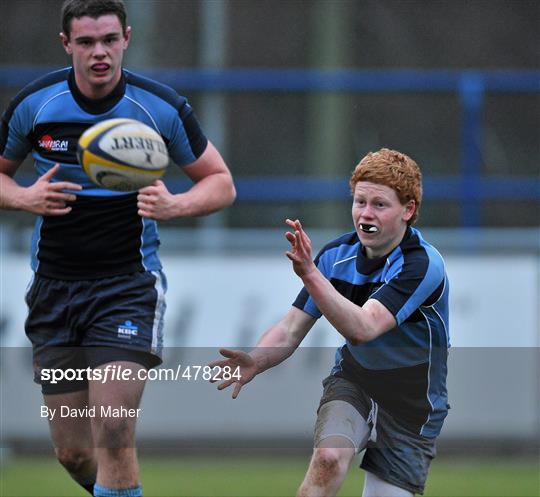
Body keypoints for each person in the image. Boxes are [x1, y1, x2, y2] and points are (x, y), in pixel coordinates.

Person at [0, 0, 235, 496]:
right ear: (67, 45)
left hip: (127, 288)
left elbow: (220, 182)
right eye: (86, 42)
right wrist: (22, 196)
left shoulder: (160, 107)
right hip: (54, 291)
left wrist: (175, 206)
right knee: (75, 452)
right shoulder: (35, 105)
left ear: (126, 37)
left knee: (112, 427)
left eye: (109, 40)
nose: (99, 52)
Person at [211, 148, 449, 497]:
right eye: (359, 202)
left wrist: (309, 273)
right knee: (328, 458)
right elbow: (291, 328)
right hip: (356, 382)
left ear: (408, 210)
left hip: (411, 403)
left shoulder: (422, 265)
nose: (365, 214)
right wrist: (257, 358)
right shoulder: (335, 257)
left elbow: (363, 328)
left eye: (379, 205)